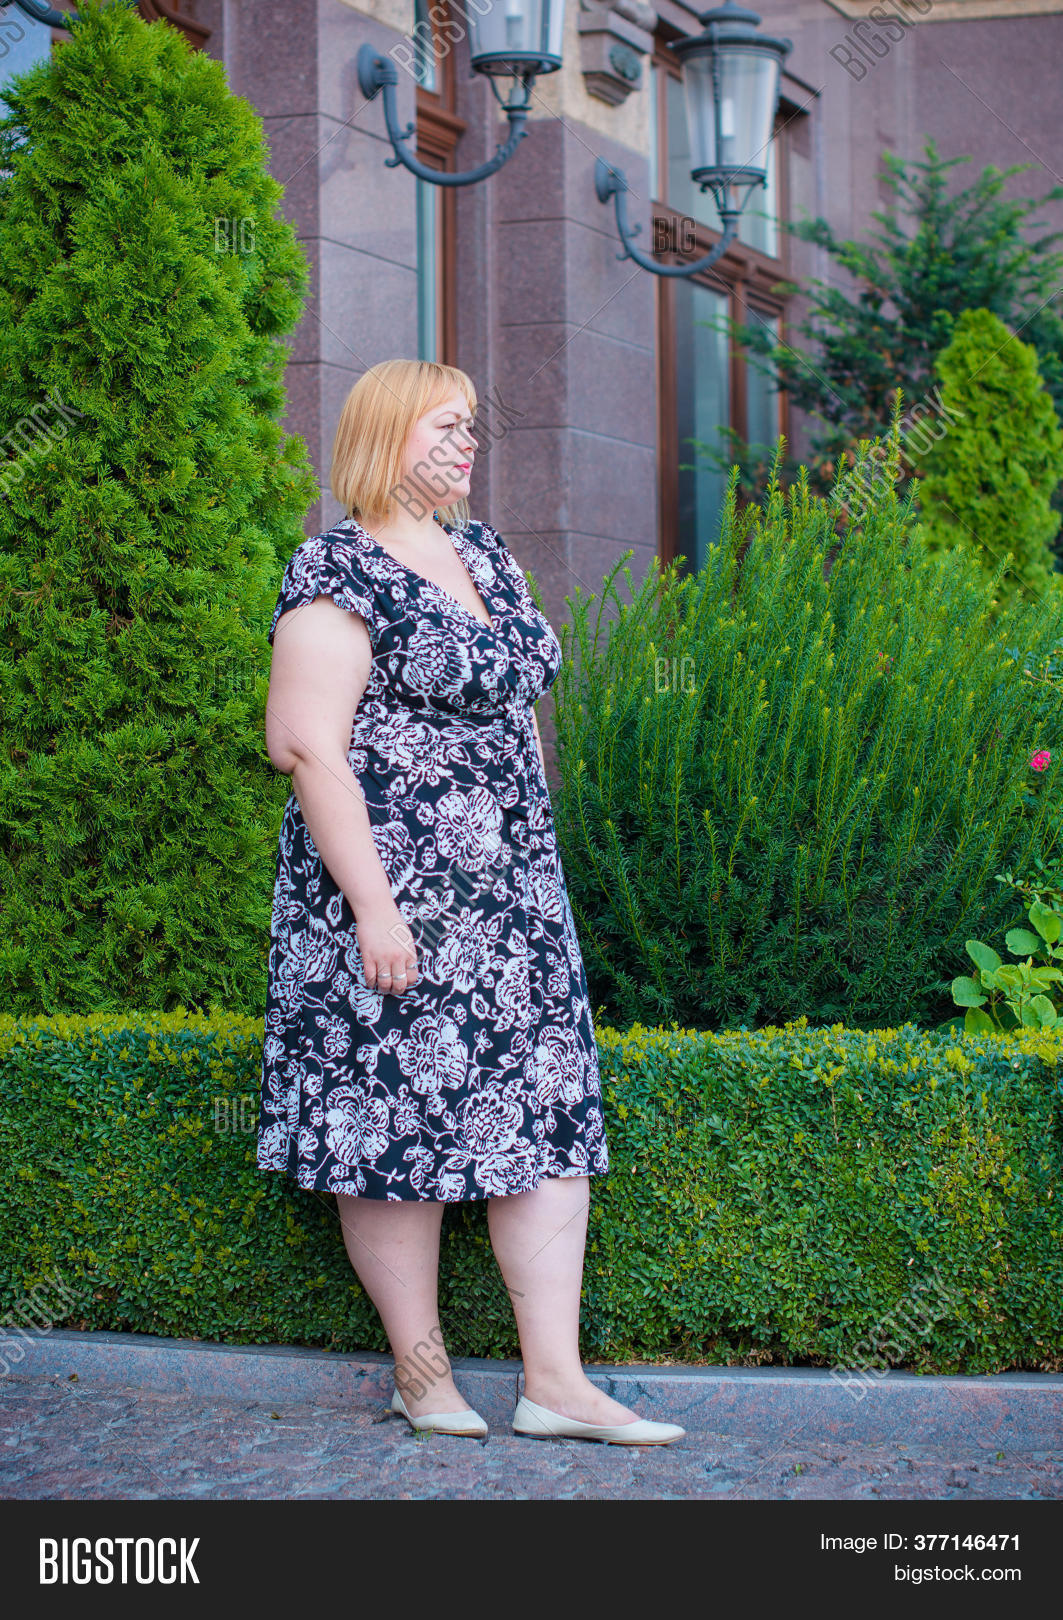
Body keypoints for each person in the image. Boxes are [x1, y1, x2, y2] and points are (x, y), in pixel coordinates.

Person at [258, 358, 684, 1447]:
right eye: (444, 428)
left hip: (511, 904)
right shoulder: (336, 570)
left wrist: (523, 859)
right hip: (389, 899)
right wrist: (373, 907)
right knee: (395, 1129)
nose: (467, 445)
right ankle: (423, 1377)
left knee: (543, 1124)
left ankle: (557, 1386)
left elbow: (510, 712)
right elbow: (305, 746)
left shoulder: (483, 553)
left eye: (471, 429)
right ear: (384, 436)